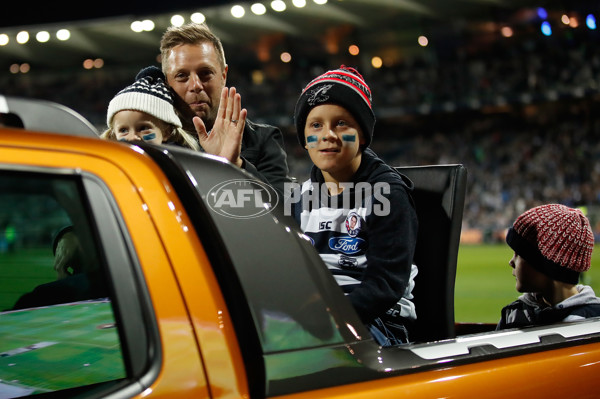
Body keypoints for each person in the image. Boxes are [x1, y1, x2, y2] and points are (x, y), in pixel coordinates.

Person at [288, 65, 419, 346]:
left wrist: (328, 318)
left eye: (341, 123)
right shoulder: (300, 196)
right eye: (316, 125)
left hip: (381, 322)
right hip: (320, 318)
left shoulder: (387, 194)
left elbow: (385, 286)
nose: (328, 135)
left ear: (362, 133)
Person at [159, 22, 291, 196]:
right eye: (182, 75)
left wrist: (236, 165)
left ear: (223, 75)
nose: (196, 85)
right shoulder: (156, 145)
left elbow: (284, 214)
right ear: (167, 82)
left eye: (205, 73)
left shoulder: (262, 141)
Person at [496, 204, 600, 330]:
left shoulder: (594, 321)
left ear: (547, 264)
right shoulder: (512, 314)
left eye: (519, 254)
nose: (511, 262)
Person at [101, 66, 200, 150]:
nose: (132, 138)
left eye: (143, 128)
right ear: (114, 135)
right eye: (123, 130)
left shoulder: (175, 166)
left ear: (167, 132)